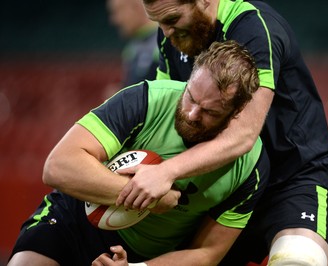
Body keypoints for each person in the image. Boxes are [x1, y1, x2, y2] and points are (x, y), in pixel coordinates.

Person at [113, 0, 328, 265]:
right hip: (222, 188)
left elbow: (243, 135)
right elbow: (164, 116)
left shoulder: (253, 28)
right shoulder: (171, 38)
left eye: (173, 19)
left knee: (298, 261)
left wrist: (165, 172)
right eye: (159, 23)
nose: (165, 32)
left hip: (292, 180)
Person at [8, 40, 270, 266]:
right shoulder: (147, 101)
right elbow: (58, 166)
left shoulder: (250, 165)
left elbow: (207, 253)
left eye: (210, 112)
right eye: (190, 97)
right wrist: (150, 197)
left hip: (144, 254)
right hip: (73, 220)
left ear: (236, 114)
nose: (191, 114)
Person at [107, 0, 159, 87]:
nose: (114, 20)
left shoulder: (165, 41)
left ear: (136, 7)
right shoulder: (131, 48)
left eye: (118, 11)